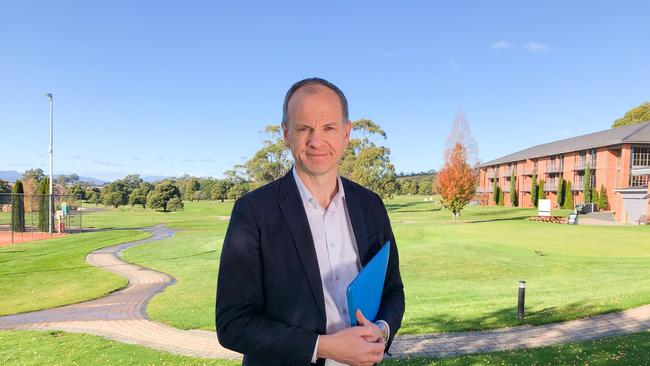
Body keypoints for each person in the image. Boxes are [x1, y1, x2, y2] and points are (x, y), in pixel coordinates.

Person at [216, 78, 404, 365]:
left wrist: (381, 330)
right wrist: (324, 347)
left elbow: (392, 290)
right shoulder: (253, 211)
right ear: (286, 134)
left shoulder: (371, 205)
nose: (317, 141)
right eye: (304, 128)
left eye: (329, 128)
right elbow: (233, 323)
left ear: (346, 133)